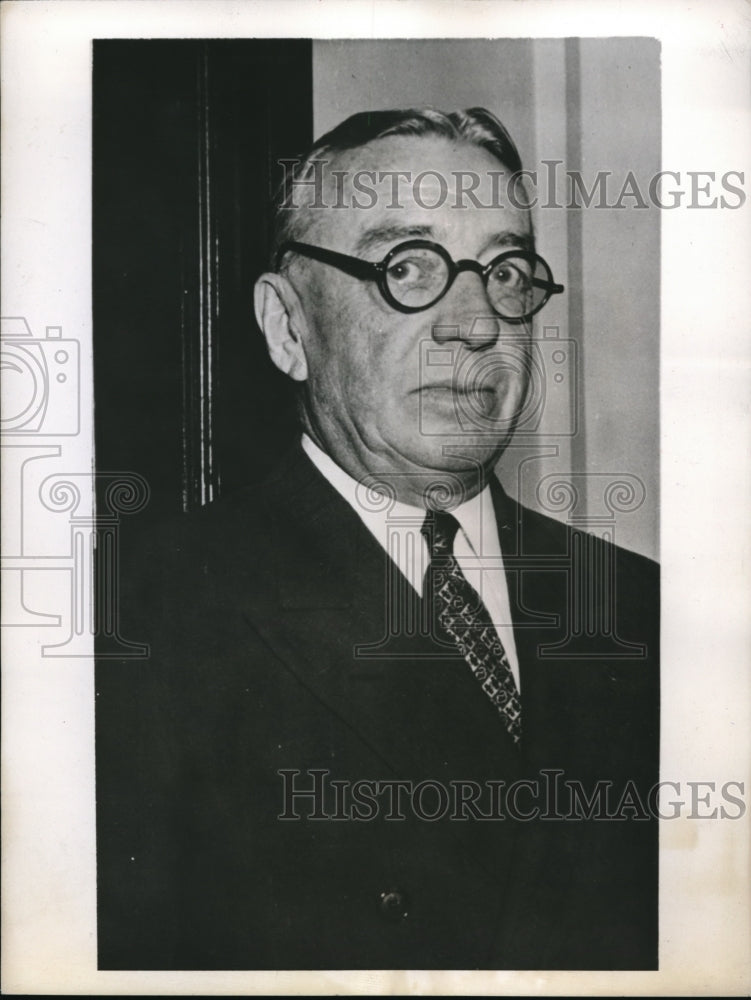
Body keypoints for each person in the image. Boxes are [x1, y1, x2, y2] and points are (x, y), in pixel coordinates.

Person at [96, 108, 659, 971]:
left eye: (506, 272)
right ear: (289, 328)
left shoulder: (642, 609)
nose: (476, 325)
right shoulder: (137, 616)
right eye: (408, 267)